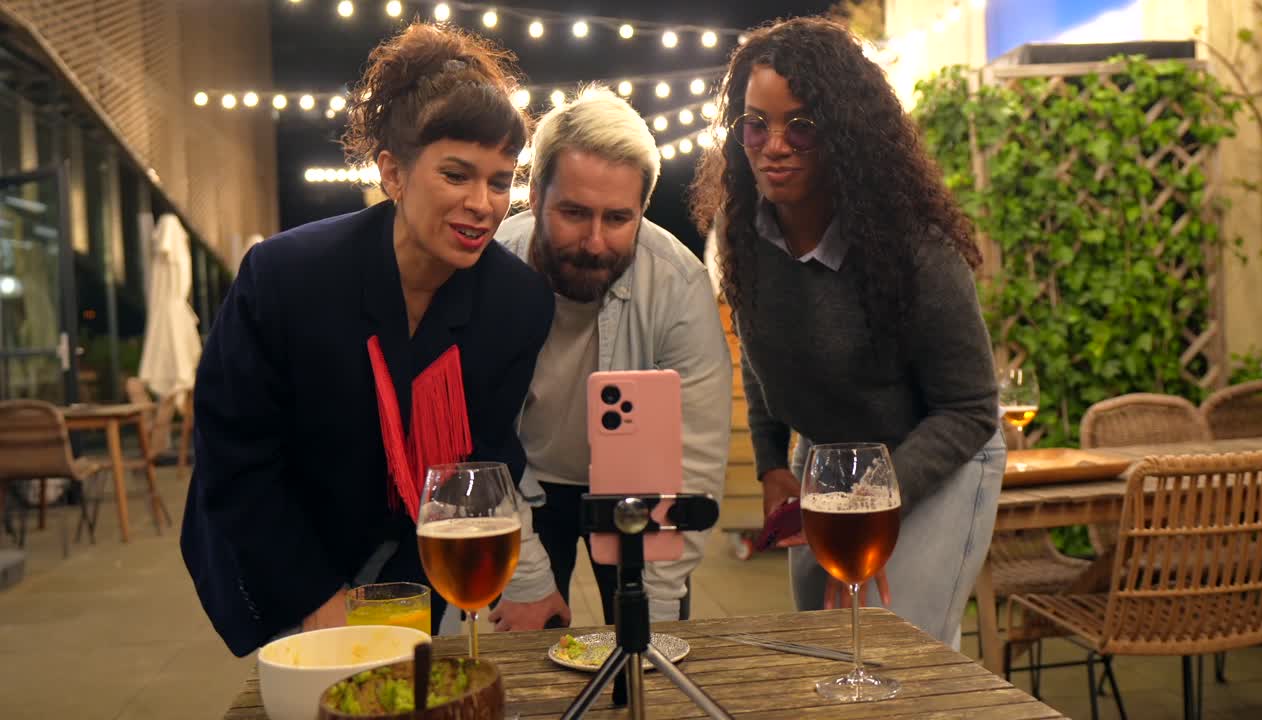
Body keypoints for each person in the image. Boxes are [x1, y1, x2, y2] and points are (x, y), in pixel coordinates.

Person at [180, 23, 554, 657]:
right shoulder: (284, 277)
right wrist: (315, 601)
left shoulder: (517, 301)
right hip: (287, 544)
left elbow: (486, 458)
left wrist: (414, 601)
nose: (483, 204)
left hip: (415, 550)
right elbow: (237, 459)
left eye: (499, 180)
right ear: (393, 173)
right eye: (457, 175)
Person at [689, 17, 1006, 649]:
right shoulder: (741, 228)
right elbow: (758, 351)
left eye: (801, 126)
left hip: (936, 457)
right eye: (756, 124)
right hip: (831, 457)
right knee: (824, 643)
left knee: (894, 646)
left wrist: (879, 500)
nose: (773, 145)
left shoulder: (913, 248)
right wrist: (773, 461)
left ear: (845, 132)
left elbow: (970, 409)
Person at [486, 88, 732, 631]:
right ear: (534, 192)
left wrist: (657, 612)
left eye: (619, 218)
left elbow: (693, 460)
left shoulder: (678, 283)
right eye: (574, 213)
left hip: (638, 491)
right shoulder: (487, 271)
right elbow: (476, 445)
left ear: (643, 209)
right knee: (527, 676)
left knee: (646, 666)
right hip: (519, 482)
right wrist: (524, 580)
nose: (595, 242)